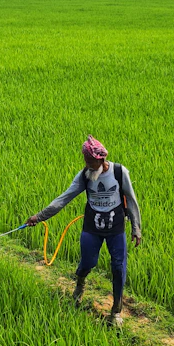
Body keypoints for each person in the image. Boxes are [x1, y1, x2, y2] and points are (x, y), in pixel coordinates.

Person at [26, 135, 142, 326]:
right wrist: (39, 216)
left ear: (100, 159)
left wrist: (136, 228)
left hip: (116, 226)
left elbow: (131, 199)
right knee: (88, 262)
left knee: (118, 267)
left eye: (90, 161)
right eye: (85, 160)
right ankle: (80, 284)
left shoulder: (120, 172)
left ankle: (116, 312)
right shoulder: (85, 176)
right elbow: (64, 198)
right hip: (92, 225)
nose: (87, 164)